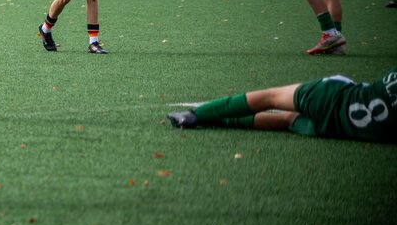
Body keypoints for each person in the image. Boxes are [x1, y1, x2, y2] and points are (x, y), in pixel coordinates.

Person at [167, 68, 396, 144]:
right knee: (285, 120)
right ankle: (206, 119)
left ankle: (197, 115)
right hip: (341, 129)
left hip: (333, 97)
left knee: (271, 97)